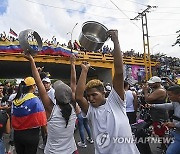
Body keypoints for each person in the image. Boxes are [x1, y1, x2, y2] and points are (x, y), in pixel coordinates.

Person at [75, 30, 140, 154]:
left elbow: (119, 72)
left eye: (94, 95)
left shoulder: (116, 101)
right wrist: (84, 71)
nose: (90, 99)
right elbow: (78, 97)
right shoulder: (91, 111)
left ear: (104, 92)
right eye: (88, 96)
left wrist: (115, 41)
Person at [24, 54, 77, 154]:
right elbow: (73, 83)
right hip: (70, 151)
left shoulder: (51, 109)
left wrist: (32, 61)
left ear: (55, 97)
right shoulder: (73, 107)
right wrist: (73, 64)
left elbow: (39, 84)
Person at [11, 77, 47, 154]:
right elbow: (42, 119)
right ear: (33, 86)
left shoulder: (15, 101)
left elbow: (12, 116)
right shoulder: (35, 100)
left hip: (17, 135)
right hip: (31, 135)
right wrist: (46, 132)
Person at [146, 85, 180, 154]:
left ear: (178, 95)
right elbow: (166, 106)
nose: (168, 97)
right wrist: (153, 106)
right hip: (176, 132)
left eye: (170, 95)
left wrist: (175, 125)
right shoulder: (176, 103)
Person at [70, 54, 93, 148]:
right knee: (86, 125)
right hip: (85, 112)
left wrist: (72, 64)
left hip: (79, 112)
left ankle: (83, 142)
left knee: (81, 127)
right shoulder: (87, 98)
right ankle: (91, 139)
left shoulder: (75, 95)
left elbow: (73, 81)